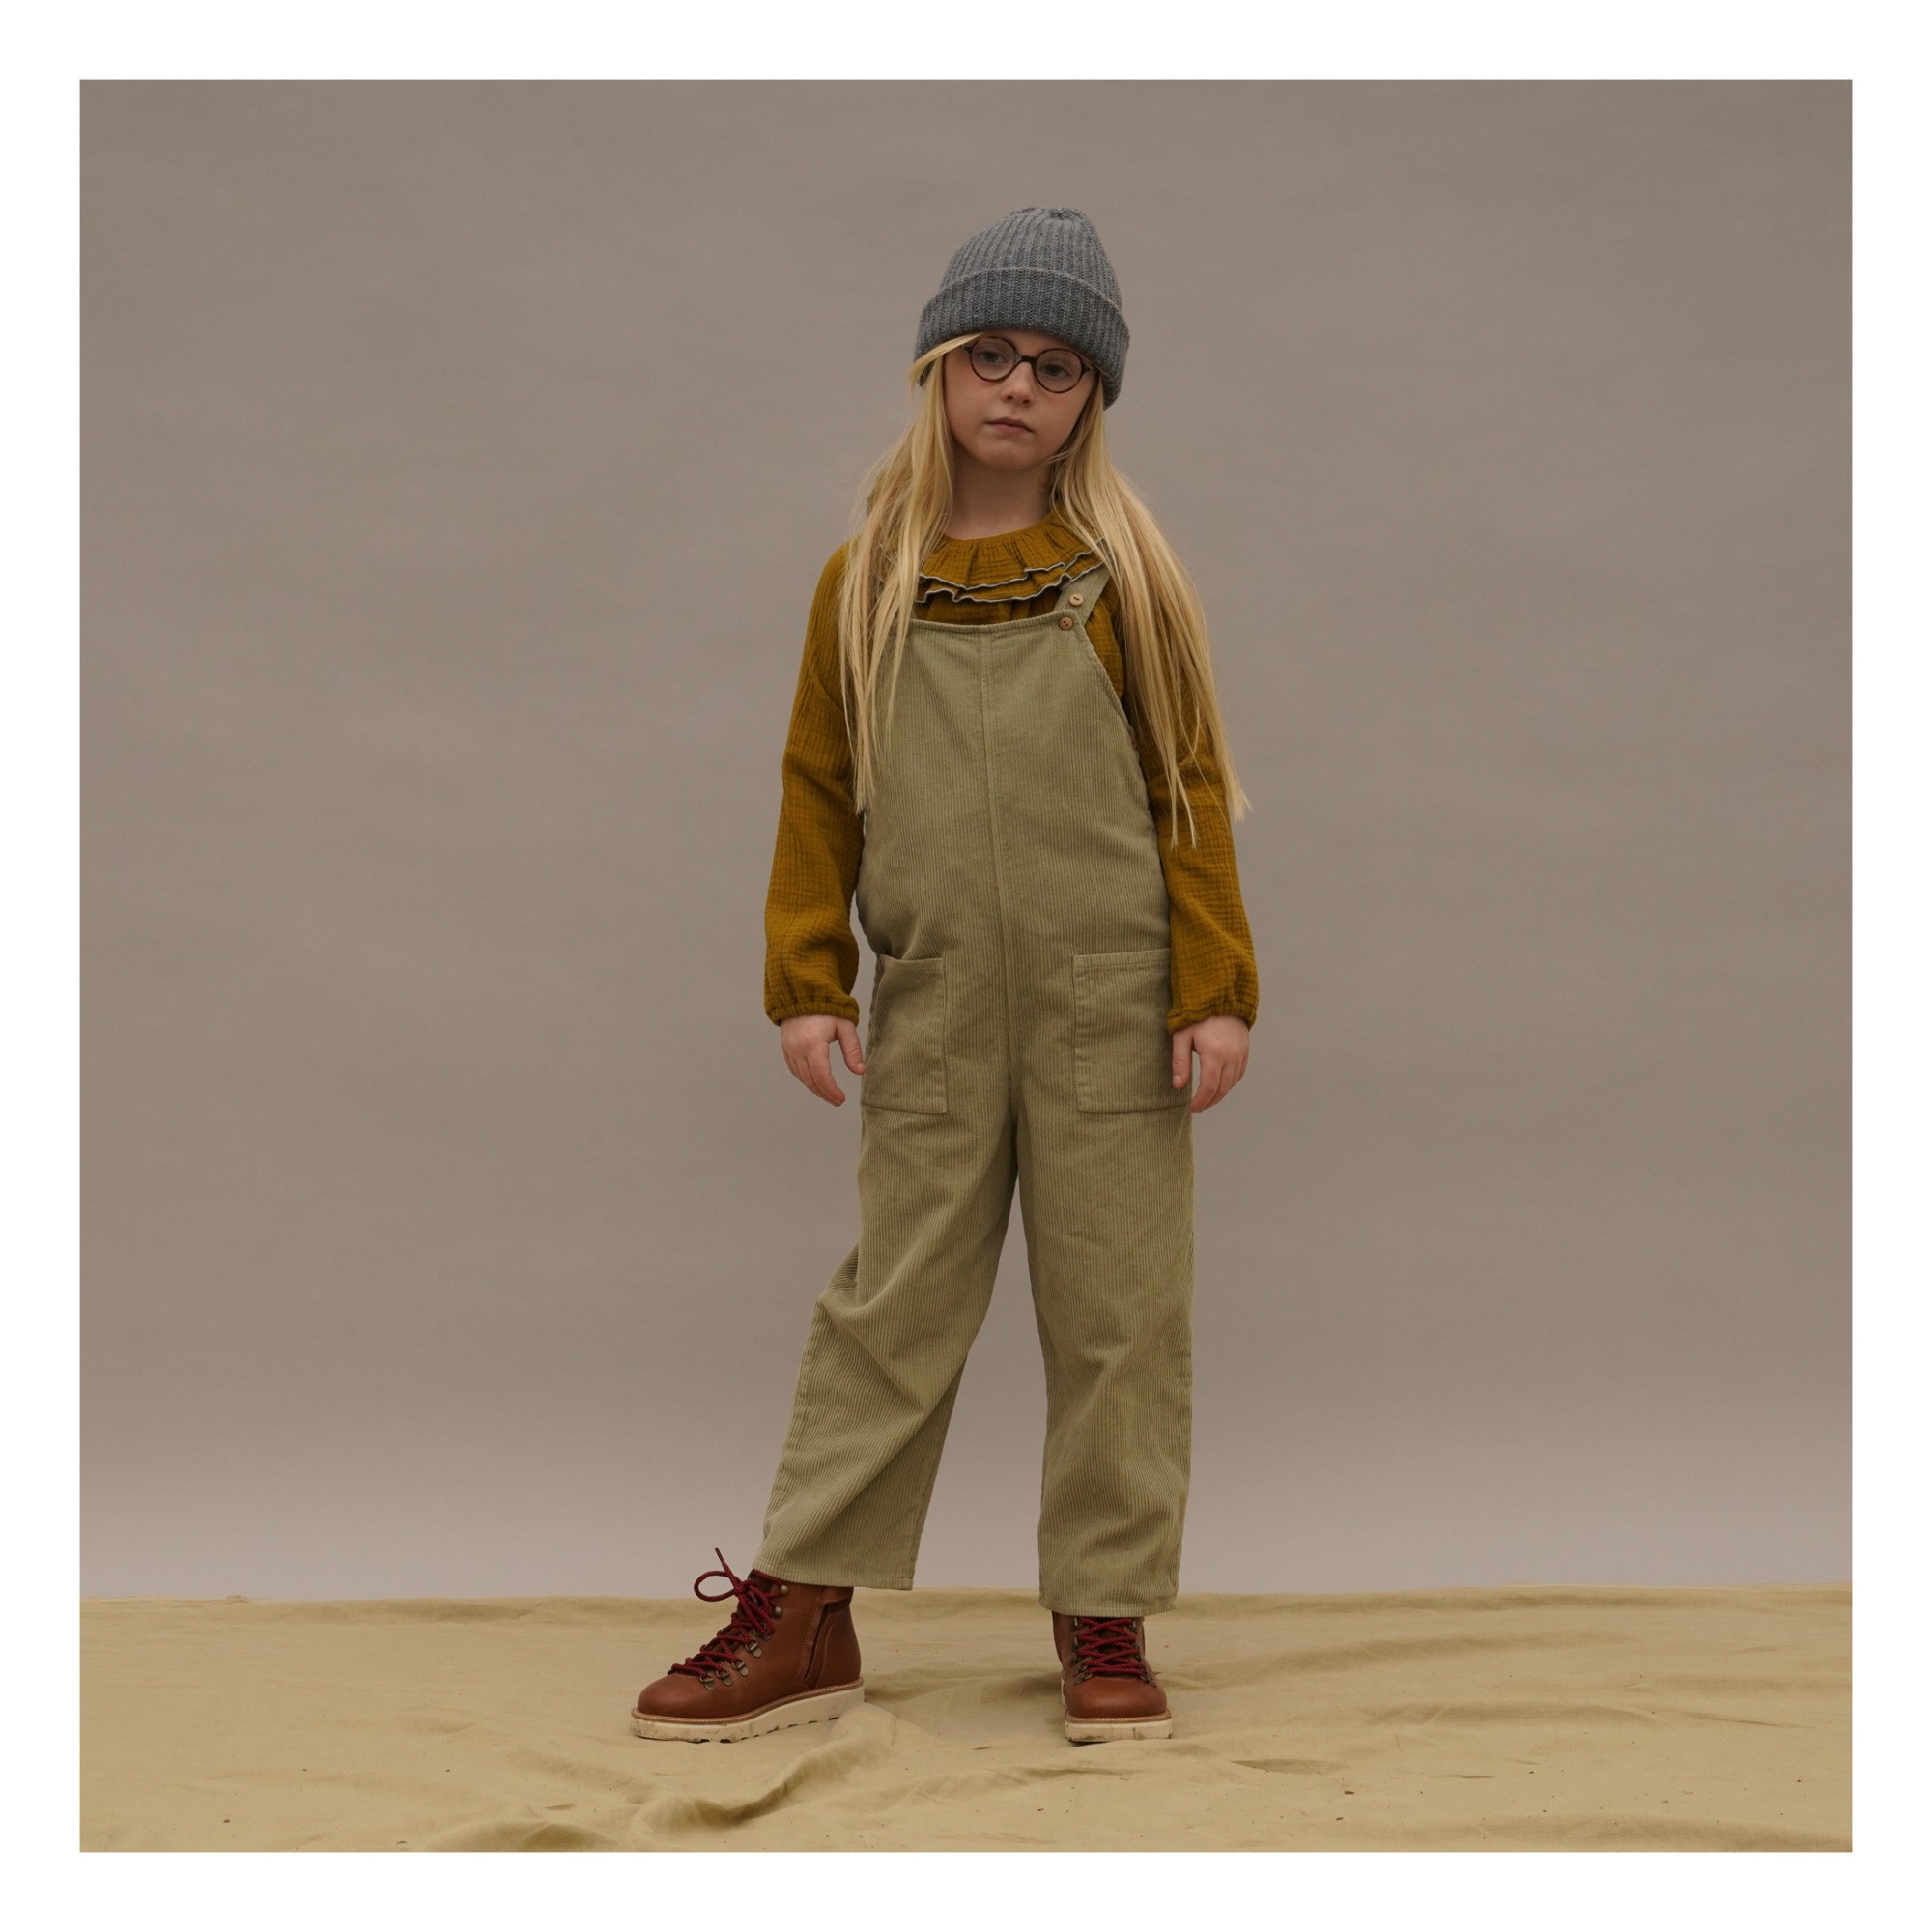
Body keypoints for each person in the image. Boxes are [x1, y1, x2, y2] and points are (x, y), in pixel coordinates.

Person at [632, 207, 1260, 1747]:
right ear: (937, 370)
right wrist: (807, 975)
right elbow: (817, 787)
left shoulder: (1126, 581)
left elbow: (1188, 787)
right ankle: (806, 1609)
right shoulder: (864, 582)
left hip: (1115, 1001)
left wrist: (1215, 985)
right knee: (892, 1303)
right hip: (936, 998)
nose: (1018, 388)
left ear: (1090, 397)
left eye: (1056, 367)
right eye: (991, 355)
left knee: (1120, 1311)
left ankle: (1103, 1610)